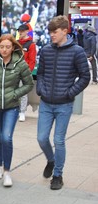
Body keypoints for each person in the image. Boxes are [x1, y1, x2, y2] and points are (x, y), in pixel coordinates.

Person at [36, 15, 90, 190]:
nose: (52, 35)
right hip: (46, 103)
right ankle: (51, 161)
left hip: (64, 104)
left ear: (65, 31)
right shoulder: (45, 50)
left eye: (55, 32)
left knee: (59, 140)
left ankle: (58, 175)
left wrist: (69, 93)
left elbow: (85, 77)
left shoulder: (77, 52)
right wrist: (40, 90)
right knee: (42, 138)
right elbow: (41, 73)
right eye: (50, 32)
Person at [0, 34, 34, 187]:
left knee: (6, 138)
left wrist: (15, 94)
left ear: (13, 48)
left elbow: (28, 84)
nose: (4, 50)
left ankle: (7, 172)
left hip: (11, 107)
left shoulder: (20, 64)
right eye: (1, 47)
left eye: (8, 47)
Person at [17, 24, 37, 122]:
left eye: (22, 31)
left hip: (24, 72)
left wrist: (27, 72)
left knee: (23, 93)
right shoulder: (16, 43)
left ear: (26, 31)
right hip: (14, 72)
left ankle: (22, 112)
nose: (20, 33)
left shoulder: (31, 44)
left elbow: (32, 60)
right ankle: (15, 110)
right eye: (19, 31)